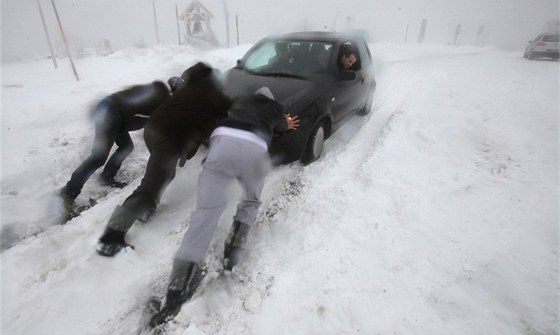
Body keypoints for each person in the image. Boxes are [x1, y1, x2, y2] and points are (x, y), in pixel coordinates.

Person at [148, 87, 299, 326]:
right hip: (254, 148)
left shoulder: (238, 103)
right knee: (250, 200)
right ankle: (232, 253)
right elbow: (281, 128)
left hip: (222, 144)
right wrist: (285, 124)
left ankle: (175, 293)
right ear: (269, 100)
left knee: (204, 215)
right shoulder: (274, 108)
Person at [96, 62, 232, 257]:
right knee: (149, 187)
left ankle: (145, 209)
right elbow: (229, 109)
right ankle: (110, 237)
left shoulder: (188, 88)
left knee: (165, 174)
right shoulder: (212, 94)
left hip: (152, 131)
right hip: (168, 137)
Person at [59, 78, 182, 205]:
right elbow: (157, 130)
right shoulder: (162, 101)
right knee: (98, 157)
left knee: (126, 146)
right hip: (110, 113)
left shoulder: (158, 90)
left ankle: (107, 176)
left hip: (114, 112)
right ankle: (68, 192)